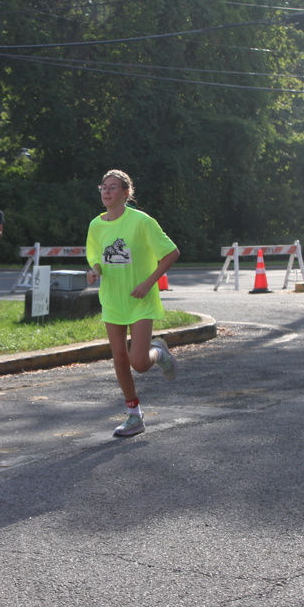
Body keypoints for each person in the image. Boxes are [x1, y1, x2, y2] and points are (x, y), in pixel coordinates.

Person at [85, 169, 180, 438]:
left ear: (126, 193)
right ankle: (134, 415)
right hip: (112, 299)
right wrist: (94, 271)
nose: (106, 191)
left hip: (140, 298)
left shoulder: (142, 221)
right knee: (119, 359)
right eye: (103, 187)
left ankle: (158, 352)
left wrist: (148, 283)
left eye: (113, 187)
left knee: (138, 362)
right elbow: (96, 256)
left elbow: (171, 253)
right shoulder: (96, 225)